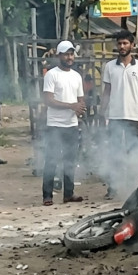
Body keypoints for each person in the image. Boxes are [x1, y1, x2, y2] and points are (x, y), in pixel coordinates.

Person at [100, 30, 138, 199]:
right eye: (119, 43)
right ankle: (112, 188)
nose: (122, 46)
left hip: (132, 116)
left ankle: (134, 188)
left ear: (132, 45)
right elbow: (106, 91)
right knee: (114, 152)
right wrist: (102, 111)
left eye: (125, 43)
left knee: (133, 152)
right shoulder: (109, 66)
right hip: (114, 116)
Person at [42, 40, 86, 206]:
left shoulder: (76, 76)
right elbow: (48, 100)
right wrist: (71, 106)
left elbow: (80, 99)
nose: (69, 57)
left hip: (71, 125)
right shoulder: (52, 75)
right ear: (59, 55)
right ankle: (47, 196)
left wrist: (80, 108)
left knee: (70, 160)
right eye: (66, 54)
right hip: (55, 125)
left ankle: (69, 193)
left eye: (71, 54)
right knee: (51, 160)